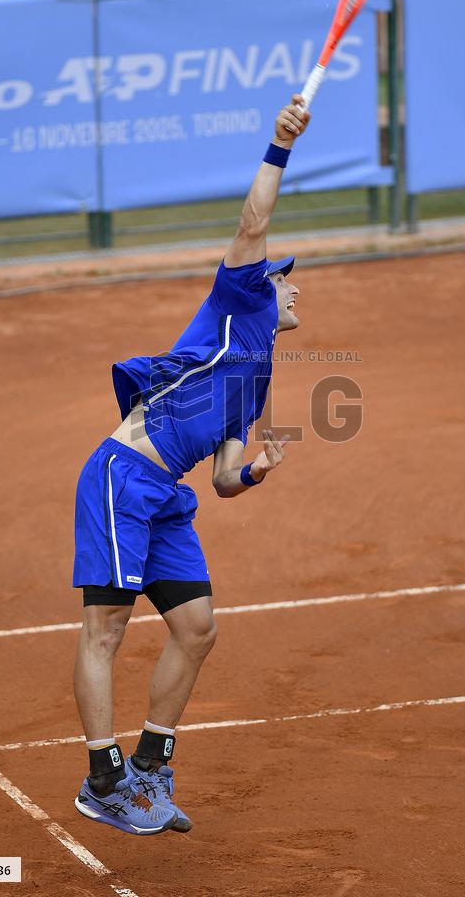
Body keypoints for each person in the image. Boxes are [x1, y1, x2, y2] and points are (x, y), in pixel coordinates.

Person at [72, 95, 311, 836]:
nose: (293, 284)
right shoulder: (237, 302)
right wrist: (279, 145)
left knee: (198, 627)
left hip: (167, 496)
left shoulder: (256, 377)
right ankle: (102, 780)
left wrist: (257, 469)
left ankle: (149, 765)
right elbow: (253, 223)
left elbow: (223, 480)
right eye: (285, 277)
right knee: (105, 630)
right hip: (122, 476)